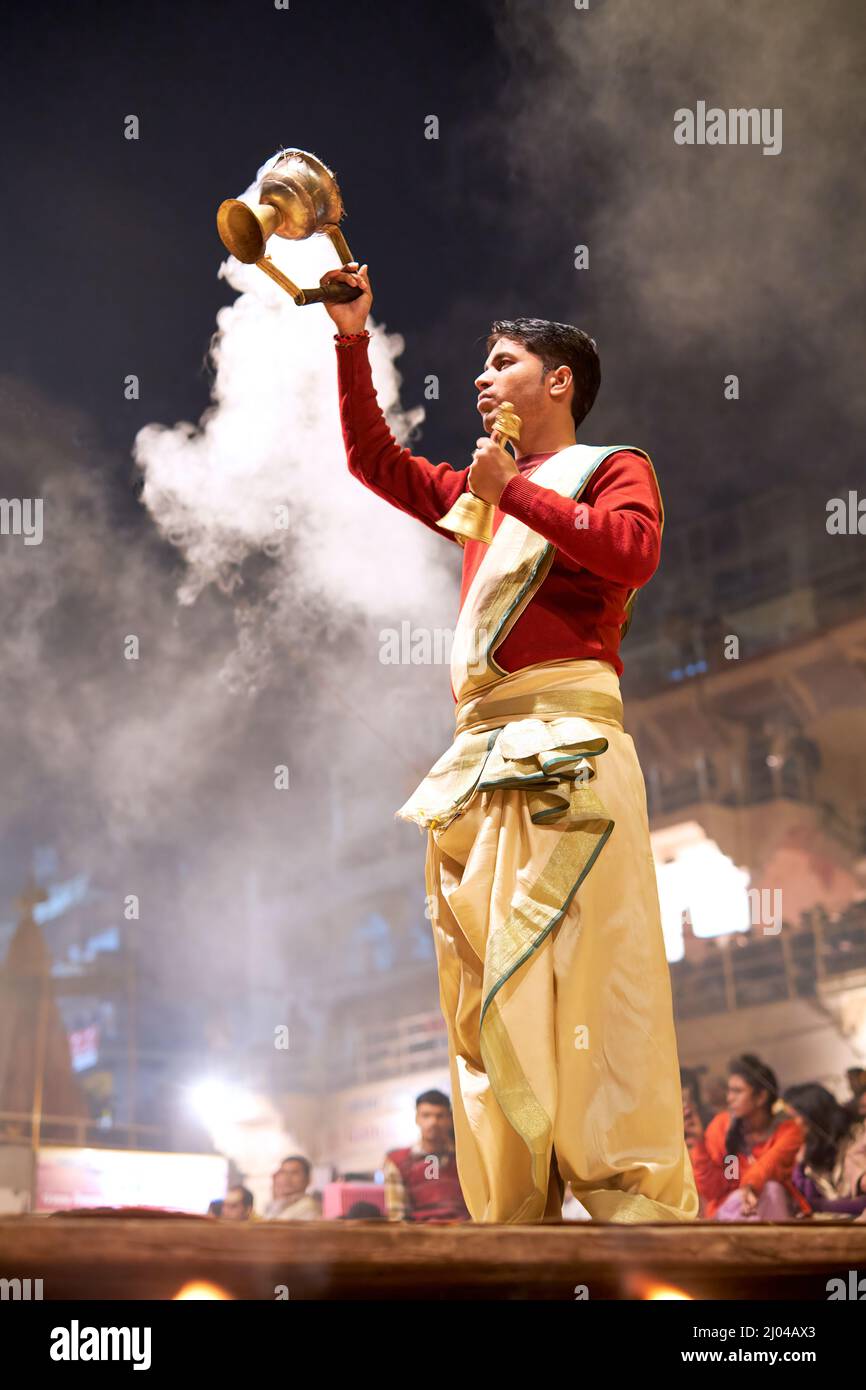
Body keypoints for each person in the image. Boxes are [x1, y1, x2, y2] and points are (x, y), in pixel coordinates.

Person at [324, 262, 698, 1224]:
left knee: (596, 983)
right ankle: (516, 1220)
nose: (482, 381)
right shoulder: (482, 491)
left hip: (572, 746)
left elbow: (631, 554)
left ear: (559, 380)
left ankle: (630, 1210)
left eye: (503, 363)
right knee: (490, 996)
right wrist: (352, 337)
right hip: (481, 764)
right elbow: (372, 459)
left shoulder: (616, 466)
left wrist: (515, 495)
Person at [686, 1054, 808, 1219]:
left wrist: (750, 1186)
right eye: (729, 1091)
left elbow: (768, 1165)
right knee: (740, 1199)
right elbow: (715, 1190)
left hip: (768, 1206)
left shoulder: (788, 1131)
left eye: (737, 1091)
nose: (729, 1098)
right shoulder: (724, 1127)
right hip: (730, 1213)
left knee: (772, 1189)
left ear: (761, 1097)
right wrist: (699, 1146)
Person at [383, 1089, 470, 1223]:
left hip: (464, 1233)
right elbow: (398, 1218)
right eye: (426, 1115)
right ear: (417, 1118)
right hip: (420, 1237)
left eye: (440, 1116)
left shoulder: (465, 1158)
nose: (433, 1122)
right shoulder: (397, 1162)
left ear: (449, 1118)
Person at [783, 1082, 866, 1217]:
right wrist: (799, 1164)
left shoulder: (856, 1139)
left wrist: (818, 1205)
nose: (790, 1124)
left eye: (793, 1117)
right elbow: (803, 1198)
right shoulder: (810, 1149)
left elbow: (861, 1204)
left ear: (812, 1115)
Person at [263, 1156, 321, 1221]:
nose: (286, 1178)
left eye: (294, 1173)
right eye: (283, 1172)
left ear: (308, 1180)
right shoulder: (279, 1204)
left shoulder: (308, 1207)